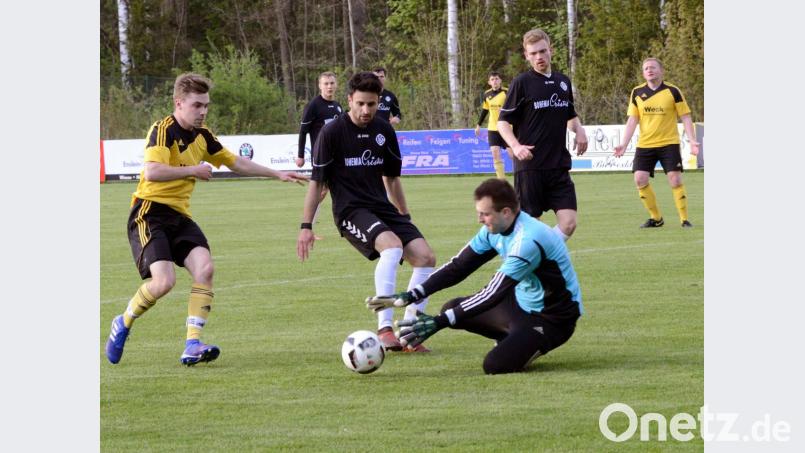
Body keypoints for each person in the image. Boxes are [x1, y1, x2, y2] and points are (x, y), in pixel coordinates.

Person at [105, 73, 309, 366]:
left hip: (179, 216)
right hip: (149, 213)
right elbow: (152, 171)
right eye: (197, 105)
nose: (203, 111)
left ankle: (192, 344)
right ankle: (123, 321)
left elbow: (235, 162)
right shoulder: (163, 130)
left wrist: (277, 173)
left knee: (205, 268)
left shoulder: (203, 135)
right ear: (179, 103)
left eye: (206, 105)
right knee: (164, 282)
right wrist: (192, 170)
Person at [366, 179, 582, 374]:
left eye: (485, 214)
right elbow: (459, 266)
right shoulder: (494, 230)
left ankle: (526, 342)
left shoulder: (528, 240)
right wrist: (413, 294)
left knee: (495, 365)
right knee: (452, 307)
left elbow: (492, 293)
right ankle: (513, 338)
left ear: (506, 212)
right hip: (520, 305)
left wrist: (439, 323)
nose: (480, 219)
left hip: (552, 318)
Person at [297, 71, 436, 352]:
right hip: (350, 210)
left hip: (382, 208)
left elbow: (392, 179)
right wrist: (306, 226)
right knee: (392, 247)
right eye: (360, 103)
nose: (365, 110)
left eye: (371, 104)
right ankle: (384, 328)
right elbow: (317, 183)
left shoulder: (384, 130)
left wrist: (404, 216)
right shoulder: (331, 133)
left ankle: (409, 332)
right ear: (349, 100)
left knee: (426, 257)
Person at [497, 29, 588, 242]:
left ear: (550, 50)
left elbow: (570, 116)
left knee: (569, 223)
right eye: (533, 53)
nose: (539, 57)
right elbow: (502, 123)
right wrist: (516, 146)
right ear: (526, 56)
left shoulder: (563, 82)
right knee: (530, 227)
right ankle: (523, 257)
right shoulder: (522, 83)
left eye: (542, 51)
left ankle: (540, 252)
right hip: (531, 168)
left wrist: (580, 131)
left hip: (558, 165)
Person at [613, 57, 700, 228]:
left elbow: (685, 116)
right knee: (639, 179)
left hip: (669, 143)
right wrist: (623, 144)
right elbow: (632, 119)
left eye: (653, 67)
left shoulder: (673, 91)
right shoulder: (637, 92)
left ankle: (684, 219)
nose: (649, 70)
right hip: (645, 144)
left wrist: (692, 140)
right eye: (646, 68)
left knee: (675, 180)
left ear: (661, 71)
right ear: (643, 73)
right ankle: (656, 218)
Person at [296, 71, 344, 235]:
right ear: (320, 86)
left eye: (332, 83)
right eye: (326, 83)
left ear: (336, 85)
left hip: (337, 155)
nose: (329, 86)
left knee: (336, 188)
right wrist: (300, 155)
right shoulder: (313, 105)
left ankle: (345, 223)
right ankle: (307, 226)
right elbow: (303, 131)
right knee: (321, 190)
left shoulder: (337, 106)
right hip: (321, 155)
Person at [475, 71, 512, 180]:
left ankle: (523, 176)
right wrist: (478, 125)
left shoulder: (507, 92)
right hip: (493, 128)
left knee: (513, 155)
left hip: (507, 127)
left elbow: (514, 108)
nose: (494, 81)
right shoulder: (486, 94)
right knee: (495, 153)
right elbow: (485, 110)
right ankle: (502, 182)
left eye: (496, 79)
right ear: (489, 82)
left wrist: (505, 111)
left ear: (500, 81)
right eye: (492, 79)